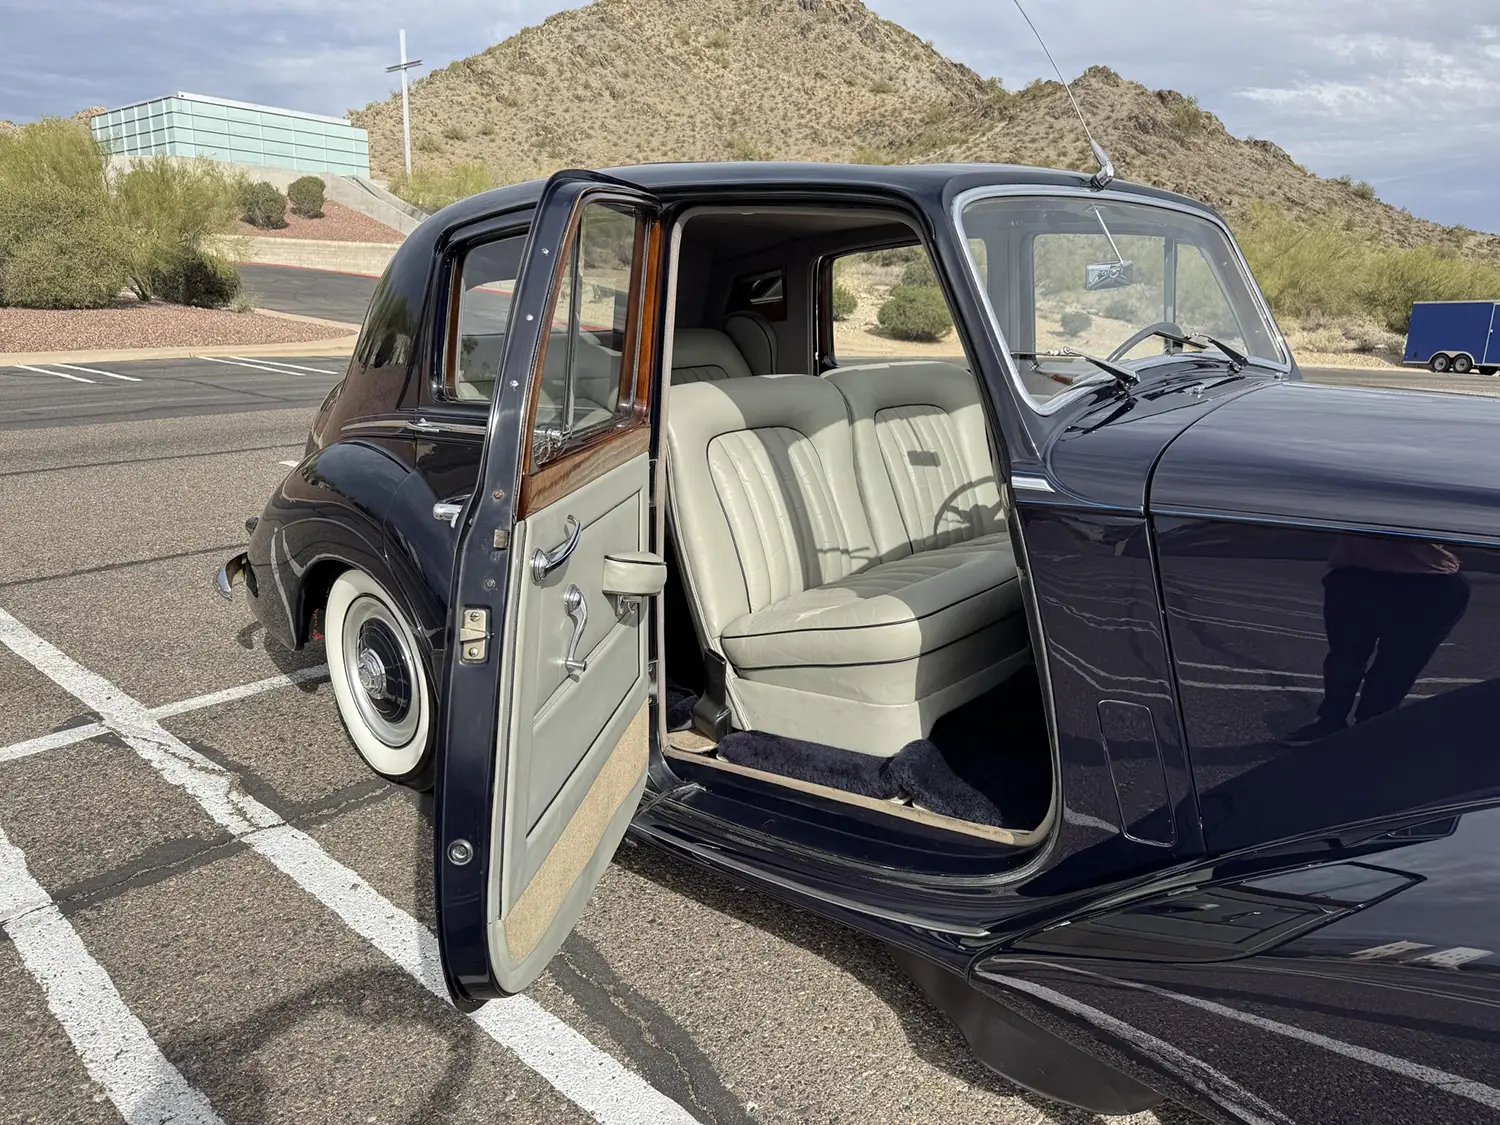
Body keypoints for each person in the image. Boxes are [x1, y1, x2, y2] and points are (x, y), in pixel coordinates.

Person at [1286, 536, 1470, 744]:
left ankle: (1365, 728)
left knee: (1390, 663)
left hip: (1426, 580)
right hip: (1370, 575)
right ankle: (1345, 724)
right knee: (1355, 659)